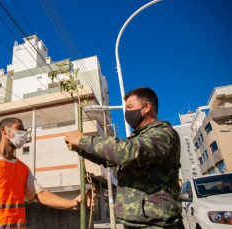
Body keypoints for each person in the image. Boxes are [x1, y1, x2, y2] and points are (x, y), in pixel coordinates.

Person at [64, 87, 184, 228]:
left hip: (157, 225)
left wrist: (83, 140)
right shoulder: (139, 137)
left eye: (130, 107)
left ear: (146, 107)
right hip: (135, 223)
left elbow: (129, 151)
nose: (127, 112)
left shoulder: (163, 134)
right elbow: (110, 158)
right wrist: (81, 148)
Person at [0, 117, 94, 229]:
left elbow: (41, 194)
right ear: (4, 130)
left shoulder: (22, 168)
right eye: (19, 129)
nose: (23, 133)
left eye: (25, 130)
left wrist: (72, 203)